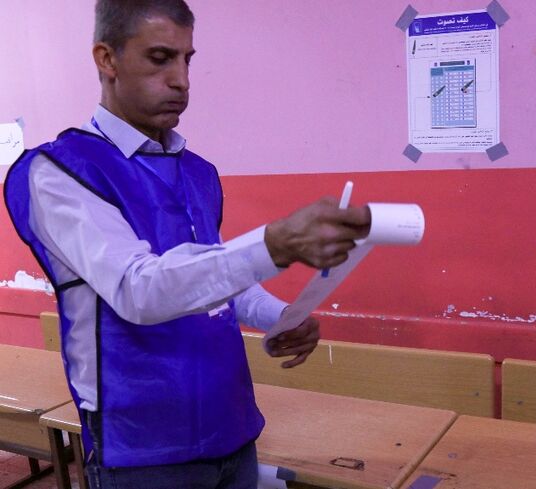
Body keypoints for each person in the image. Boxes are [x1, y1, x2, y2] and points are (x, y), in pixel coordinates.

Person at [3, 1, 371, 487]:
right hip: (142, 445)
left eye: (187, 59)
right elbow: (140, 290)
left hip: (230, 421)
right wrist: (275, 244)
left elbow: (217, 280)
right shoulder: (59, 172)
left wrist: (280, 316)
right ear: (106, 59)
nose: (182, 80)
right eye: (160, 58)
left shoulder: (197, 172)